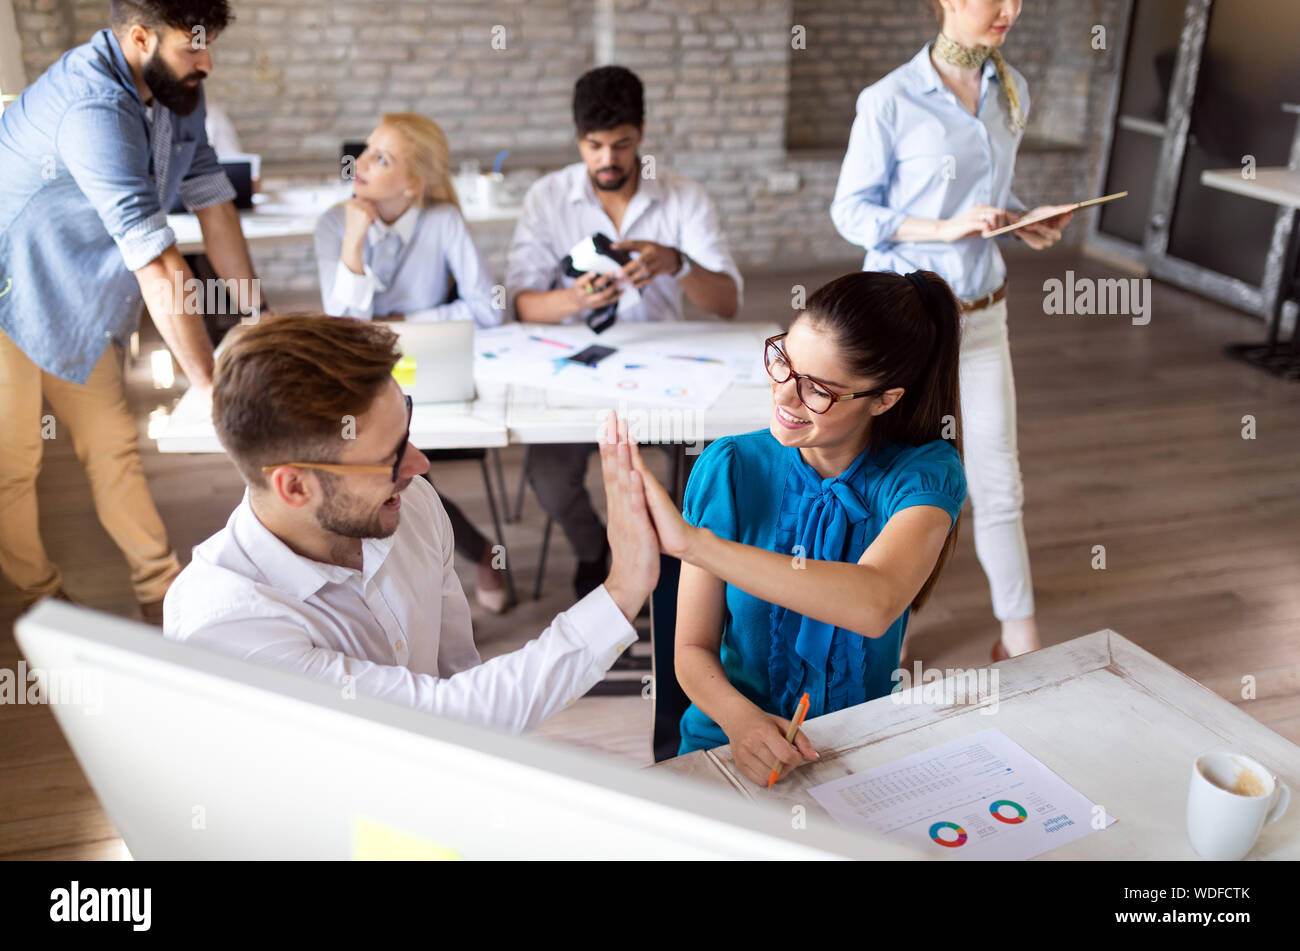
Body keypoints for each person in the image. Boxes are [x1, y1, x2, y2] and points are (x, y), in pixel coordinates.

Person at [163, 315, 661, 734]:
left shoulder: (411, 504)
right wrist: (621, 591)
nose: (420, 466)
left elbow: (456, 677)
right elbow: (448, 716)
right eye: (390, 456)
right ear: (294, 487)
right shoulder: (225, 627)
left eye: (408, 430)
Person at [628, 271, 968, 785]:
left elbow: (873, 602)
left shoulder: (924, 474)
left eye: (818, 391)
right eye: (784, 361)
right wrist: (743, 723)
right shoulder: (730, 467)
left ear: (884, 399)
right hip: (725, 740)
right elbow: (691, 652)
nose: (785, 396)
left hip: (863, 746)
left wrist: (697, 546)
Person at [0, 0, 266, 624]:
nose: (206, 63)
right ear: (140, 38)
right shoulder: (93, 107)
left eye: (208, 46)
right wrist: (209, 388)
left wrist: (257, 320)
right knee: (14, 463)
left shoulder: (180, 92)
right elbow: (160, 263)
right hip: (7, 290)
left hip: (74, 297)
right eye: (191, 48)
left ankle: (160, 593)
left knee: (113, 445)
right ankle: (40, 602)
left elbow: (213, 205)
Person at [829, 0, 1074, 661]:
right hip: (907, 319)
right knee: (888, 480)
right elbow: (851, 211)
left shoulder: (1012, 88)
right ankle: (871, 637)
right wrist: (944, 228)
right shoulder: (890, 99)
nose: (1010, 9)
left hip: (983, 314)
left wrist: (1024, 222)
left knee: (998, 480)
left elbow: (985, 205)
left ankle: (1019, 638)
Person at [506, 64, 743, 598]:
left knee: (714, 466)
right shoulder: (547, 198)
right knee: (549, 480)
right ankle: (597, 550)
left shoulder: (684, 198)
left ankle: (677, 563)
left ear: (642, 134)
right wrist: (575, 298)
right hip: (572, 370)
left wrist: (677, 263)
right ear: (577, 139)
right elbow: (519, 304)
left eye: (621, 144)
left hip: (667, 368)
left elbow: (727, 303)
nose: (607, 160)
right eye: (593, 146)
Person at [314, 114, 510, 611]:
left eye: (382, 158)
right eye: (366, 151)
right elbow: (342, 329)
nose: (360, 164)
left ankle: (436, 574)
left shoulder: (442, 221)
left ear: (415, 181)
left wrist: (408, 317)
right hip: (363, 383)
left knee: (402, 465)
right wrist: (355, 241)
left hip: (429, 377)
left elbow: (490, 308)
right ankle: (468, 556)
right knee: (386, 464)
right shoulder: (334, 224)